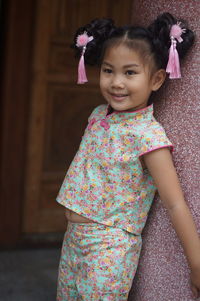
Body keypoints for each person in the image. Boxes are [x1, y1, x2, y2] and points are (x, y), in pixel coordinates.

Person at [56, 12, 200, 301]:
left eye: (130, 72)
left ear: (157, 79)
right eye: (109, 70)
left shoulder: (148, 137)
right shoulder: (98, 114)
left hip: (108, 250)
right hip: (73, 240)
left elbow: (174, 203)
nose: (116, 82)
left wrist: (196, 264)